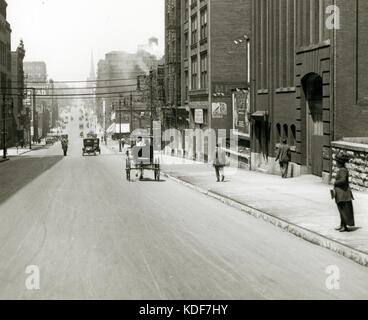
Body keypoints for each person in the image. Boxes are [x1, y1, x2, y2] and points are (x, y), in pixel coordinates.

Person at [333, 154, 355, 232]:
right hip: (341, 194)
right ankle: (342, 225)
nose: (335, 163)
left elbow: (343, 180)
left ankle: (344, 226)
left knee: (343, 211)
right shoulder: (342, 169)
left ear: (339, 163)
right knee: (341, 210)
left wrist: (335, 182)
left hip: (343, 194)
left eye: (336, 162)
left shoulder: (342, 170)